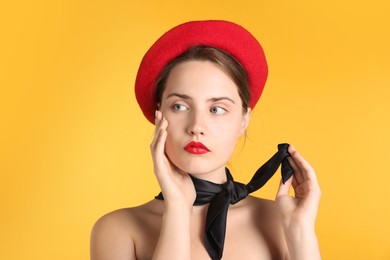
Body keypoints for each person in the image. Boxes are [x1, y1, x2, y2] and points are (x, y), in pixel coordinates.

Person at [90, 20, 321, 260]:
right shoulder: (117, 231)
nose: (197, 127)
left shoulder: (280, 221)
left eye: (217, 109)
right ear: (160, 116)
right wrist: (177, 211)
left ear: (243, 120)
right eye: (179, 106)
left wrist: (301, 233)